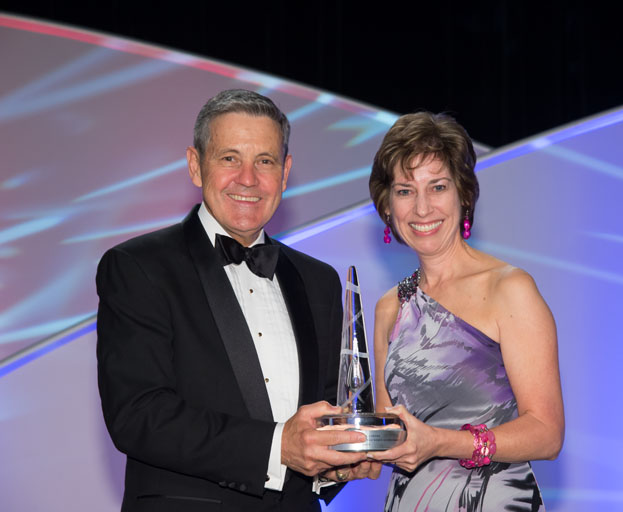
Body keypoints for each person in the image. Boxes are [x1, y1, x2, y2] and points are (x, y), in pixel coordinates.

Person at [96, 89, 376, 512]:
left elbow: (323, 415)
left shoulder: (318, 280)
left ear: (285, 173)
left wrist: (332, 467)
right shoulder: (138, 267)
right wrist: (278, 446)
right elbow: (139, 415)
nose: (248, 178)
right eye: (229, 158)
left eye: (264, 161)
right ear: (196, 165)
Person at [366, 112, 564, 511]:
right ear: (387, 206)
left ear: (464, 194)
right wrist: (334, 454)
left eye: (437, 187)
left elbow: (547, 433)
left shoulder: (509, 288)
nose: (422, 208)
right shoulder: (391, 306)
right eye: (405, 191)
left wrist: (443, 443)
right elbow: (390, 435)